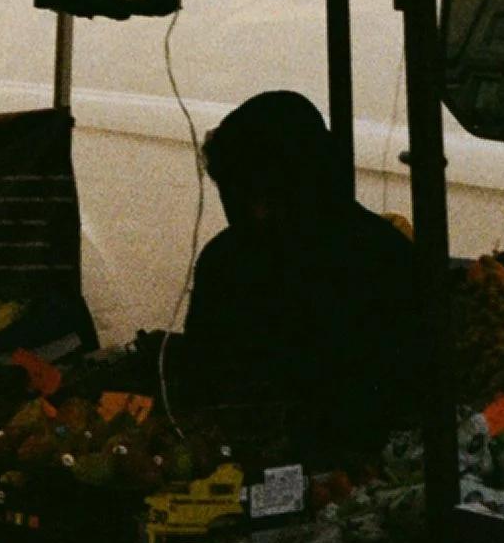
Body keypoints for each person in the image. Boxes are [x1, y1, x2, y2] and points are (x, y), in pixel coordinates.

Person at [180, 89, 420, 440]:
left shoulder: (381, 262)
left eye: (270, 197)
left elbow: (398, 397)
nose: (257, 212)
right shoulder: (227, 261)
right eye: (243, 196)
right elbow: (201, 383)